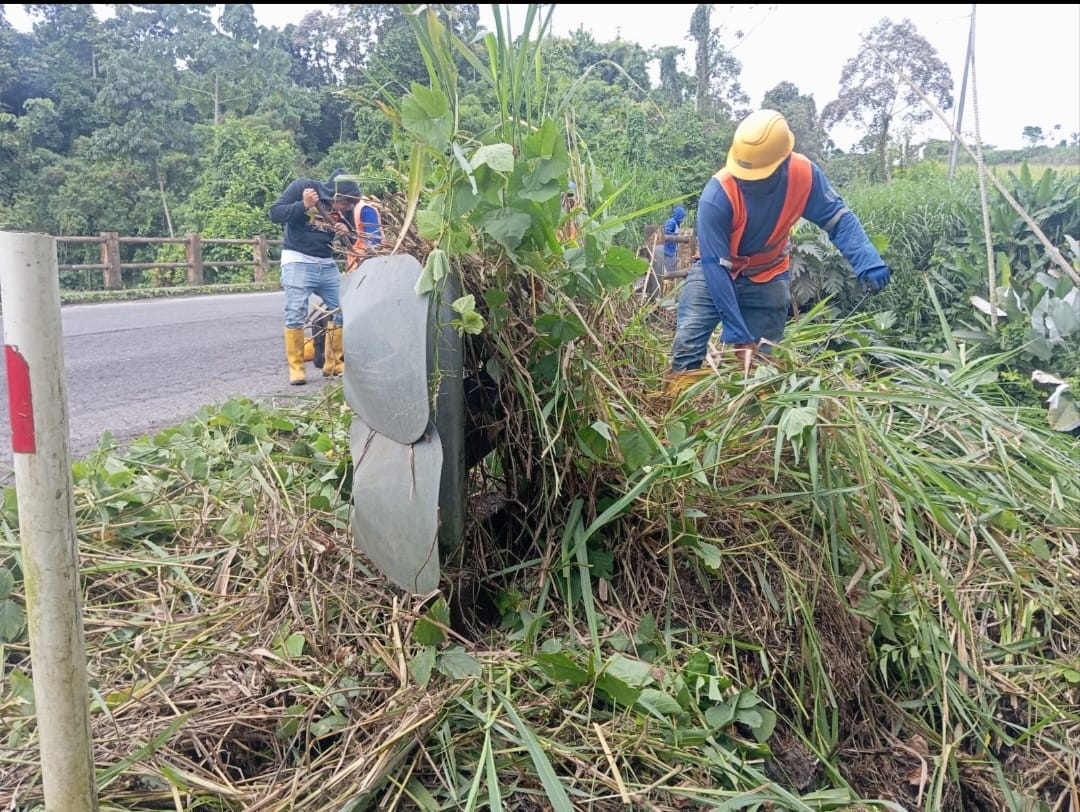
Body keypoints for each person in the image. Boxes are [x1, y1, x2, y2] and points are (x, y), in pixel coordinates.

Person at [666, 109, 891, 394]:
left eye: (757, 176)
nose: (748, 181)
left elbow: (838, 219)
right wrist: (738, 333)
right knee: (687, 342)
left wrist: (868, 260)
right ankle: (680, 404)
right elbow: (715, 267)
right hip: (715, 272)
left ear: (783, 162)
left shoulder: (804, 175)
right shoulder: (717, 195)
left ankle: (753, 412)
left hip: (768, 273)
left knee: (763, 362)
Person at [270, 168, 361, 385]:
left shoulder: (346, 208)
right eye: (345, 203)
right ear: (335, 195)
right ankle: (297, 368)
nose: (347, 208)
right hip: (297, 260)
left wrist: (345, 232)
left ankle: (333, 363)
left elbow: (352, 236)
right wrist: (304, 205)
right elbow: (275, 213)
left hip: (326, 263)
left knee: (341, 308)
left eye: (350, 205)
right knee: (295, 312)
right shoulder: (303, 188)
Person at [663, 205, 687, 276]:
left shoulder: (676, 224)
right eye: (682, 217)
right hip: (667, 250)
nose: (683, 219)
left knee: (673, 269)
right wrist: (677, 235)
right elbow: (665, 232)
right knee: (671, 271)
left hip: (672, 251)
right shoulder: (671, 222)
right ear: (678, 215)